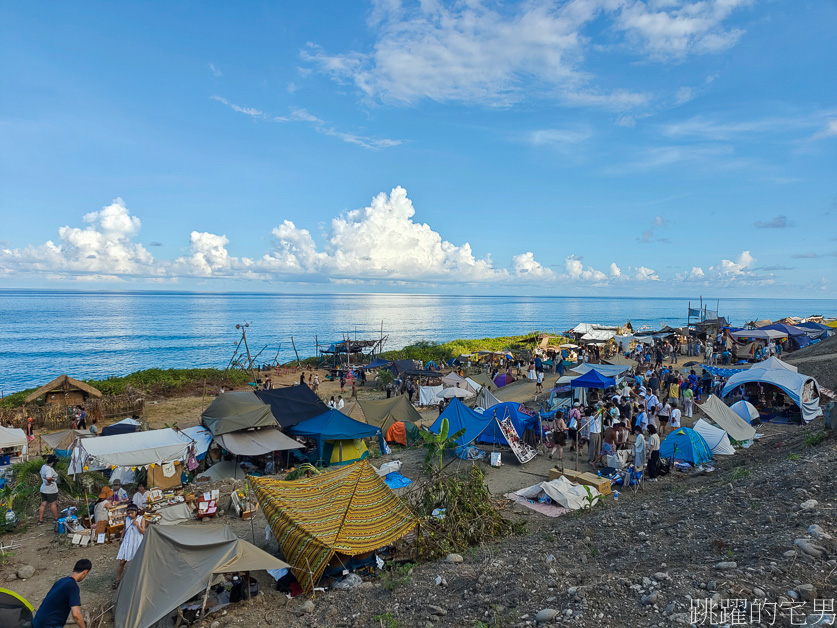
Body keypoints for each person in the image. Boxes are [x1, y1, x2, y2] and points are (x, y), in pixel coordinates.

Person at [33, 559, 92, 628]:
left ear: (73, 569)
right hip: (49, 625)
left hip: (37, 622)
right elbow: (76, 615)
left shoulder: (61, 581)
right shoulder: (72, 586)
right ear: (85, 572)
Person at [113, 504, 146, 589]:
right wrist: (121, 538)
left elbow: (143, 532)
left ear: (136, 512)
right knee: (122, 562)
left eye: (131, 513)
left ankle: (138, 580)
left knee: (137, 562)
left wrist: (137, 525)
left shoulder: (141, 519)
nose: (130, 515)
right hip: (127, 542)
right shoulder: (126, 519)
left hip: (136, 542)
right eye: (128, 513)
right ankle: (117, 580)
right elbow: (124, 528)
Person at [38, 455, 60, 526]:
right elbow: (48, 477)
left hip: (43, 489)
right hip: (50, 490)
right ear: (52, 462)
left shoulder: (44, 466)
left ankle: (40, 520)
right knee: (53, 504)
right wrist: (49, 482)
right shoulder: (49, 469)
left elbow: (41, 474)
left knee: (43, 504)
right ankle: (56, 519)